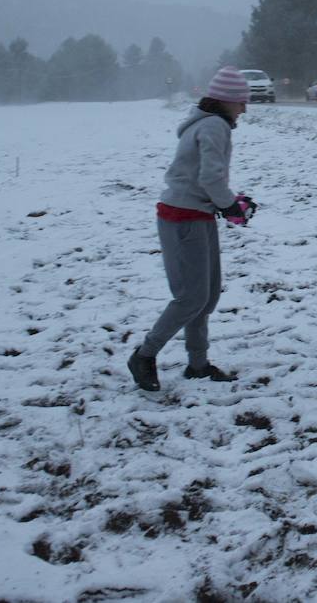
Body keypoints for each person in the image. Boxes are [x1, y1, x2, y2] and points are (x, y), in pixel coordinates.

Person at [128, 66, 257, 392]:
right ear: (225, 101)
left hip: (195, 215)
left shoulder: (207, 124)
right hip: (183, 218)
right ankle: (144, 355)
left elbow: (204, 178)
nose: (245, 107)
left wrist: (230, 202)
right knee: (191, 298)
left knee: (207, 296)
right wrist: (229, 205)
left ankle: (197, 364)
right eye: (241, 101)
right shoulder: (214, 126)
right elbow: (210, 178)